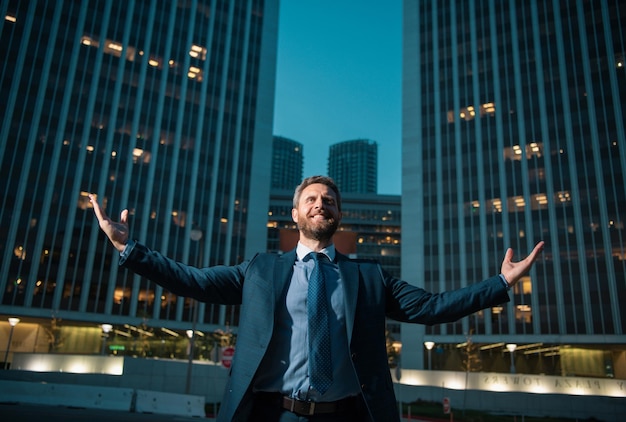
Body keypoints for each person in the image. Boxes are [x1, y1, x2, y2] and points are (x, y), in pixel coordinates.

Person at [90, 175, 544, 421]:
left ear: (338, 215)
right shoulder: (261, 269)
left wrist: (499, 284)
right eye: (311, 198)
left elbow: (431, 307)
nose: (320, 204)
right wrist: (130, 249)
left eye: (328, 200)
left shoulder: (368, 276)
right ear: (295, 212)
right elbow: (193, 281)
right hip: (271, 414)